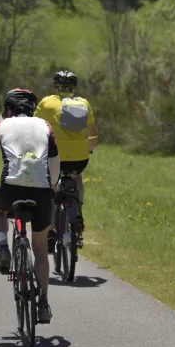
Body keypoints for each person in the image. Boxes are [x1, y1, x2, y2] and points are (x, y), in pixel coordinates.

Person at [0, 88, 60, 324]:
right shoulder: (45, 126)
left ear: (9, 109)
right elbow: (54, 160)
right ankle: (43, 302)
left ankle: (3, 248)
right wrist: (52, 186)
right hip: (41, 191)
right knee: (40, 249)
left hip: (10, 188)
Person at [34, 70, 98, 252]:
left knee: (51, 186)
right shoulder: (83, 103)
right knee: (77, 177)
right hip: (80, 157)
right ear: (73, 88)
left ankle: (51, 229)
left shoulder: (46, 103)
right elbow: (92, 134)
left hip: (55, 156)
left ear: (56, 87)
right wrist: (89, 149)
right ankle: (78, 210)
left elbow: (35, 127)